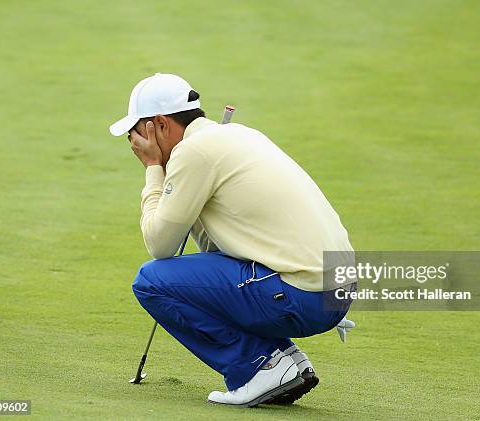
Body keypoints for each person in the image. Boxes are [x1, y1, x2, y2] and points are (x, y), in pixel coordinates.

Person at [109, 73, 356, 407]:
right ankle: (284, 359)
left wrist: (154, 167)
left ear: (160, 126)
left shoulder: (194, 152)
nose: (135, 144)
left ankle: (258, 367)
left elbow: (160, 246)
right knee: (195, 278)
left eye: (136, 133)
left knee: (152, 281)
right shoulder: (237, 135)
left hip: (304, 295)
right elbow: (221, 255)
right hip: (335, 289)